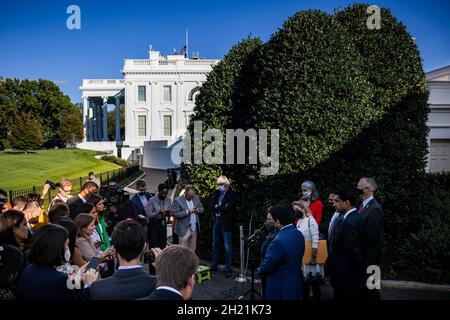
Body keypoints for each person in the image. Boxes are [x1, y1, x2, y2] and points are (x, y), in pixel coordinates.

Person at [17, 224, 98, 300]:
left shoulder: (29, 268)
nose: (68, 249)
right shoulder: (59, 279)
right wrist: (88, 285)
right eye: (66, 245)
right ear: (56, 249)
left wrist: (77, 277)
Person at [89, 220, 157, 300]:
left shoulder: (97, 288)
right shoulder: (158, 284)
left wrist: (88, 286)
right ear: (144, 246)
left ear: (114, 248)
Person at [257, 205, 305, 300]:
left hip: (279, 289)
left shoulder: (278, 241)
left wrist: (260, 270)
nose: (269, 222)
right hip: (295, 285)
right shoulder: (298, 234)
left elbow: (268, 265)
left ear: (278, 221)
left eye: (271, 220)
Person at [328, 188, 365, 300]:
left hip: (347, 275)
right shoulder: (347, 218)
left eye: (337, 201)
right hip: (344, 273)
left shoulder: (350, 221)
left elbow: (352, 250)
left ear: (347, 202)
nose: (334, 204)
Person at [356, 177, 384, 300]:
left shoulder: (375, 208)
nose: (357, 190)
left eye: (359, 187)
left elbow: (372, 237)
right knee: (362, 290)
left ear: (369, 189)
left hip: (370, 258)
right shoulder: (361, 205)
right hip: (361, 256)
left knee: (372, 290)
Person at [294, 200, 324, 300]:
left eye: (297, 209)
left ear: (303, 209)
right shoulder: (299, 221)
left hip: (311, 256)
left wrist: (313, 256)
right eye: (294, 210)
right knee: (304, 284)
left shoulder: (310, 220)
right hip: (302, 256)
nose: (295, 212)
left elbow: (316, 238)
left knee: (314, 283)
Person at [209, 176, 236, 277]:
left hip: (226, 222)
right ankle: (213, 265)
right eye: (218, 184)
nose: (219, 186)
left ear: (226, 184)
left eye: (221, 184)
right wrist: (219, 207)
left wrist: (218, 207)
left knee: (227, 246)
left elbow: (228, 208)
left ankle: (228, 268)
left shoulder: (231, 194)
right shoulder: (217, 193)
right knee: (215, 244)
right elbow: (212, 206)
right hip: (217, 220)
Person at [172, 185, 204, 252]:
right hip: (183, 229)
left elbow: (202, 209)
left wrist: (197, 210)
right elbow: (175, 214)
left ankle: (191, 262)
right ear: (185, 193)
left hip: (193, 228)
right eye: (189, 196)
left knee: (192, 249)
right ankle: (182, 262)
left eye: (192, 196)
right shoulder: (178, 200)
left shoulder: (196, 198)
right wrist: (187, 211)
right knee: (182, 250)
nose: (191, 197)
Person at [146, 183, 171, 250]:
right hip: (154, 223)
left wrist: (168, 213)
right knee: (154, 244)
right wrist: (158, 211)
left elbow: (169, 214)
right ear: (159, 191)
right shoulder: (152, 200)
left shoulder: (168, 200)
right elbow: (148, 214)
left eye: (166, 193)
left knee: (163, 244)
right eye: (163, 193)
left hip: (163, 223)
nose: (164, 195)